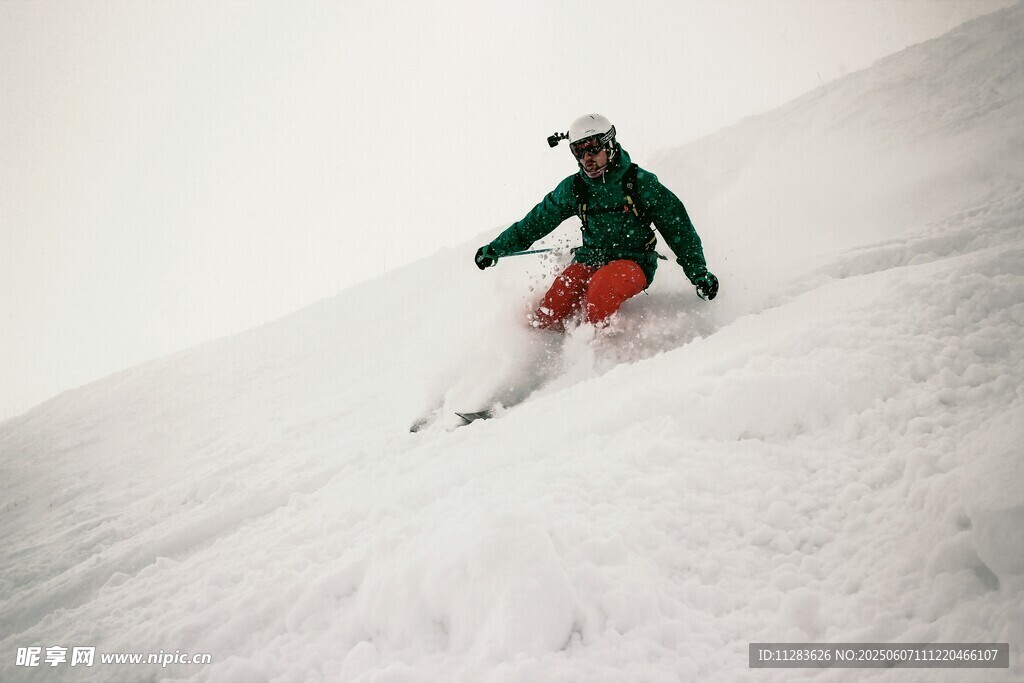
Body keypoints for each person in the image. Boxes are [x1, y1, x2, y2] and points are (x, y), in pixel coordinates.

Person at [475, 113, 718, 331]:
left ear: (609, 145)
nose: (586, 158)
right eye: (578, 152)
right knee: (556, 302)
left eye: (592, 149)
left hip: (634, 261)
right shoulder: (575, 188)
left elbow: (678, 228)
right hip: (590, 257)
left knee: (602, 288)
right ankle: (546, 358)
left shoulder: (639, 182)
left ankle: (600, 358)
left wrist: (698, 273)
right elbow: (536, 222)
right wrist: (497, 247)